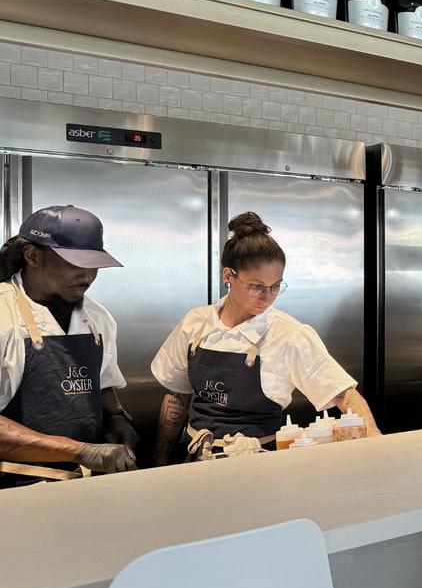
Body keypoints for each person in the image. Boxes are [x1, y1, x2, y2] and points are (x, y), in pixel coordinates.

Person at [151, 212, 380, 464]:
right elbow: (177, 395)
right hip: (192, 459)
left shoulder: (290, 334)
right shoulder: (195, 323)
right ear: (228, 276)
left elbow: (345, 395)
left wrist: (375, 439)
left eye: (276, 286)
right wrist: (159, 461)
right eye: (256, 287)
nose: (268, 297)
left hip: (258, 462)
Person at [0, 206, 137, 487]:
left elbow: (101, 382)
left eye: (94, 264)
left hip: (87, 483)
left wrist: (116, 415)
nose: (87, 276)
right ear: (32, 256)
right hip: (15, 489)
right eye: (74, 264)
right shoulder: (4, 315)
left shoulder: (98, 318)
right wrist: (79, 450)